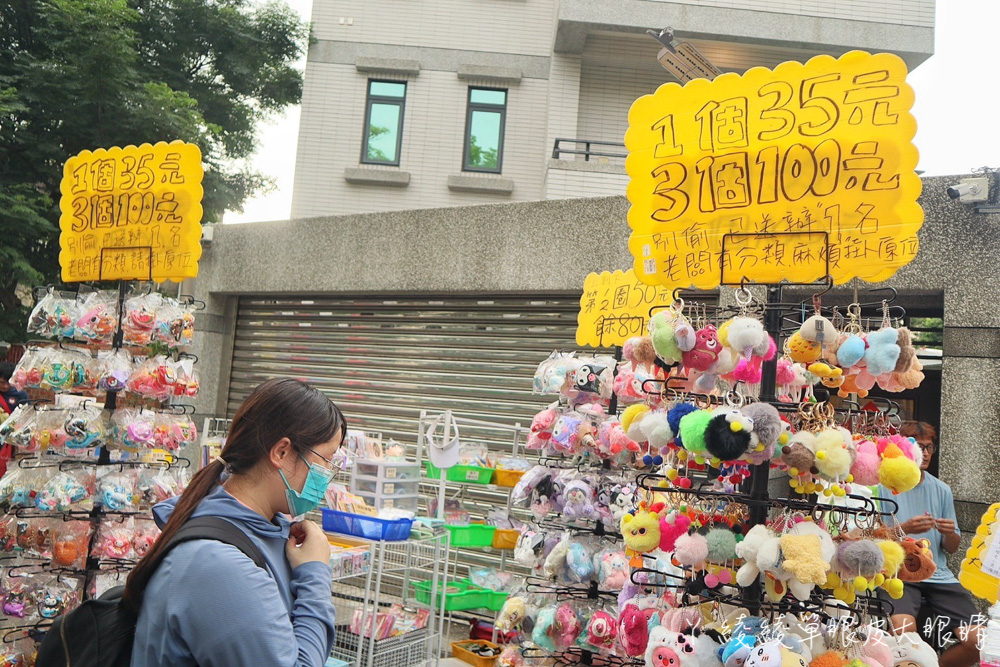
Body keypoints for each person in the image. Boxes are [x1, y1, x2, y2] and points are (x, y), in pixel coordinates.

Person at [126, 377, 347, 667]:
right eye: (326, 461)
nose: (328, 475)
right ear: (281, 452)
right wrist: (315, 573)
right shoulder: (217, 564)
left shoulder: (263, 528)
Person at [879, 421, 982, 667]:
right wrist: (905, 529)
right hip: (898, 574)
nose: (924, 454)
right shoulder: (882, 486)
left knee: (979, 642)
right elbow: (868, 538)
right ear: (902, 449)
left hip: (941, 577)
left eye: (929, 448)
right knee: (905, 635)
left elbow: (952, 546)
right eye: (918, 447)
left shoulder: (941, 490)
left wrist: (950, 533)